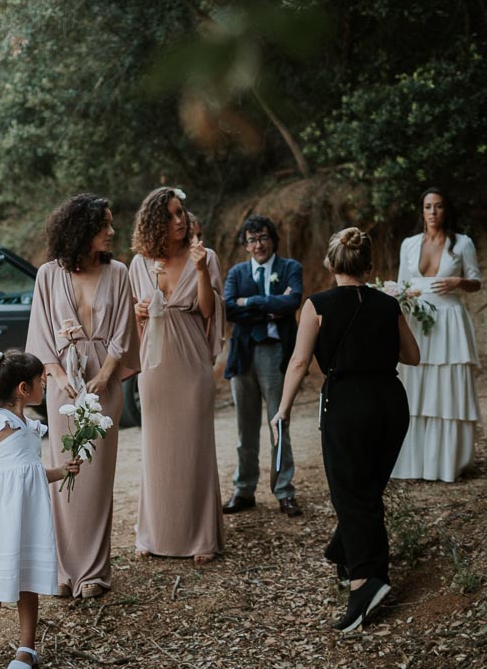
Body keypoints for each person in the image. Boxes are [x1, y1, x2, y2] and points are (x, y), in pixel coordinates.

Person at [271, 228, 420, 632]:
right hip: (391, 404)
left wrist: (282, 411)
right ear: (369, 265)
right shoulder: (389, 305)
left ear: (331, 263)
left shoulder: (316, 306)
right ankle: (342, 549)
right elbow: (413, 356)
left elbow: (300, 363)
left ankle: (366, 581)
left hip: (347, 407)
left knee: (351, 495)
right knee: (367, 489)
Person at [25, 193, 139, 599]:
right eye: (103, 225)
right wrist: (56, 375)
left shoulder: (120, 272)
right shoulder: (48, 276)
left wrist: (106, 376)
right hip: (64, 388)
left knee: (95, 477)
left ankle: (93, 571)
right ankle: (62, 568)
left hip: (103, 385)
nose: (112, 232)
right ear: (81, 230)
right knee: (63, 471)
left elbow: (125, 334)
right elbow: (39, 333)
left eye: (110, 224)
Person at [0, 350, 82, 669]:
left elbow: (32, 471)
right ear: (25, 389)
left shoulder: (29, 426)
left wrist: (61, 471)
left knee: (27, 576)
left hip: (28, 514)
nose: (45, 386)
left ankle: (26, 649)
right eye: (42, 381)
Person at [127, 186, 226, 564]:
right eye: (170, 214)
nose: (180, 220)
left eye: (181, 212)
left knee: (195, 448)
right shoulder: (139, 263)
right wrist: (138, 311)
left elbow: (207, 310)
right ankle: (154, 533)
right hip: (154, 368)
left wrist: (200, 271)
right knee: (156, 450)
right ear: (154, 220)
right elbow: (134, 317)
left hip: (192, 364)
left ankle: (201, 537)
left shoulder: (206, 257)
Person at [392, 188, 483, 482]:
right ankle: (412, 463)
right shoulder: (408, 244)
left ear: (446, 210)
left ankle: (447, 463)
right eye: (428, 207)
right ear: (422, 211)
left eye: (439, 206)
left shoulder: (462, 243)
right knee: (415, 388)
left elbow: (477, 282)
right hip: (417, 321)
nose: (433, 212)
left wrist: (459, 281)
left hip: (450, 322)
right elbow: (400, 287)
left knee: (446, 389)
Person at [222, 215, 305, 517]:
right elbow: (229, 308)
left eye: (263, 238)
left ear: (273, 240)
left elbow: (292, 302)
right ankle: (244, 491)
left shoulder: (290, 268)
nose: (258, 244)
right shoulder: (236, 272)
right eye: (252, 240)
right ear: (245, 245)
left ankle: (284, 491)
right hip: (243, 356)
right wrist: (269, 306)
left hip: (276, 354)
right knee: (245, 429)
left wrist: (250, 303)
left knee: (278, 424)